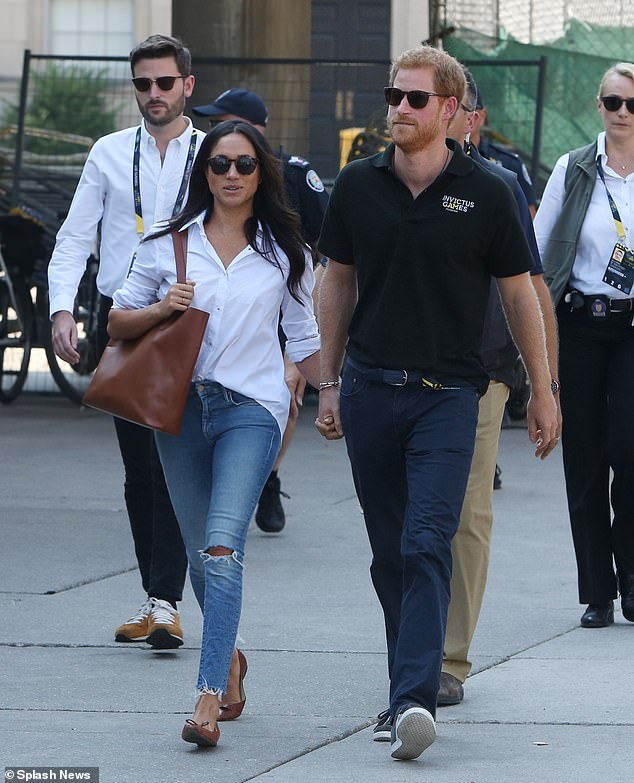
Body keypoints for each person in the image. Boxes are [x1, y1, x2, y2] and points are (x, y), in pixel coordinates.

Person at [316, 45, 559, 762]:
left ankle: (416, 697)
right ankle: (408, 682)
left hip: (449, 397)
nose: (399, 109)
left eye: (415, 99)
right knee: (390, 552)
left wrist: (542, 389)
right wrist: (327, 382)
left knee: (428, 541)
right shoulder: (357, 186)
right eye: (394, 96)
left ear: (450, 111)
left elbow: (520, 292)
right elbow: (335, 282)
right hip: (369, 392)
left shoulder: (487, 191)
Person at [108, 120, 321, 747]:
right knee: (203, 551)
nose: (232, 175)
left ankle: (205, 695)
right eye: (221, 164)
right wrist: (162, 308)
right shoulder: (167, 245)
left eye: (245, 165)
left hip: (251, 410)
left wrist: (329, 392)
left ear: (262, 174)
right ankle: (230, 660)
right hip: (180, 411)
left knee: (224, 549)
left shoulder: (286, 252)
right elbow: (118, 321)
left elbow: (305, 337)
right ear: (205, 172)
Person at [48, 34, 203, 649]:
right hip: (127, 322)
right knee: (141, 474)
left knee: (186, 468)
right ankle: (160, 601)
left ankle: (172, 599)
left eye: (165, 83)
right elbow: (74, 236)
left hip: (199, 319)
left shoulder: (215, 152)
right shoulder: (109, 154)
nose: (154, 94)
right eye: (143, 84)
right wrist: (63, 309)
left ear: (187, 85)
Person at [437, 71, 560, 708]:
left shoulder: (501, 186)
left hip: (479, 373)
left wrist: (545, 386)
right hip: (396, 375)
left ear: (469, 117)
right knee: (407, 517)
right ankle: (413, 644)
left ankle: (449, 659)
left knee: (465, 516)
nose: (424, 112)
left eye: (445, 104)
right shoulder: (376, 181)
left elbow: (529, 287)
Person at [192, 88, 329, 533]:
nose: (231, 169)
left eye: (244, 165)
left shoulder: (295, 175)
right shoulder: (208, 168)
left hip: (289, 298)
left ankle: (267, 477)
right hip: (228, 303)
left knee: (288, 396)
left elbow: (326, 252)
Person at [535, 62, 634, 629]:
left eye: (631, 104)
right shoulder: (574, 169)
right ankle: (599, 592)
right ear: (598, 105)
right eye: (613, 102)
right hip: (579, 324)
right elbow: (539, 249)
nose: (622, 113)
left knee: (630, 453)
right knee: (586, 461)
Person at [470, 89, 537, 218]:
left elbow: (529, 212)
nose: (468, 118)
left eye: (472, 111)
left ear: (482, 116)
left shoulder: (509, 162)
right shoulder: (439, 160)